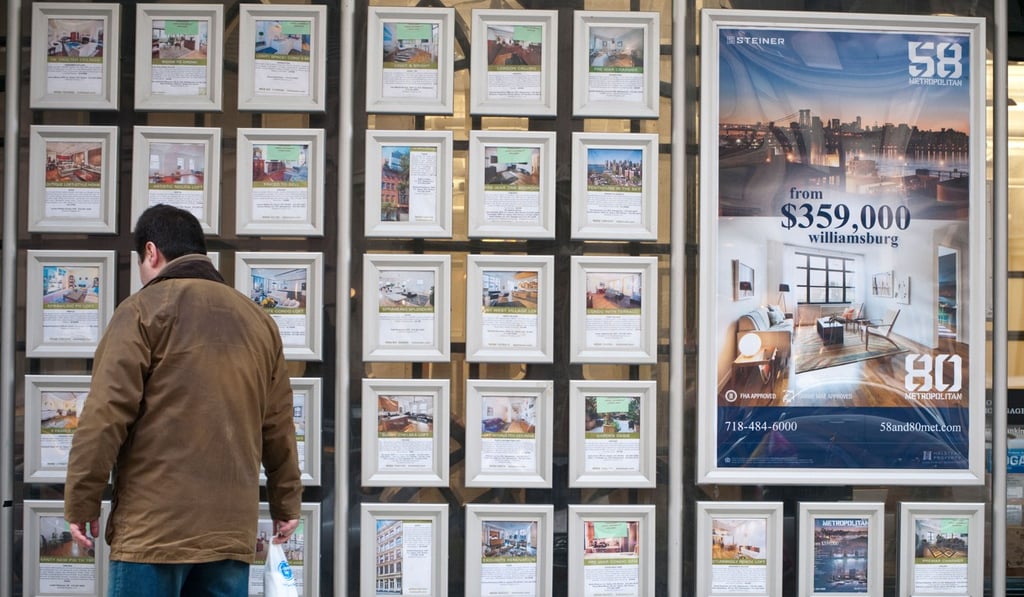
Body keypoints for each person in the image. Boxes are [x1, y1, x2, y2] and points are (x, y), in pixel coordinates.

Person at [64, 204, 302, 597]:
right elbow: (277, 422)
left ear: (152, 252)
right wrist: (286, 503)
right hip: (229, 532)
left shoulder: (141, 311)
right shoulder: (258, 321)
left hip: (152, 532)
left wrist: (82, 501)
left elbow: (105, 415)